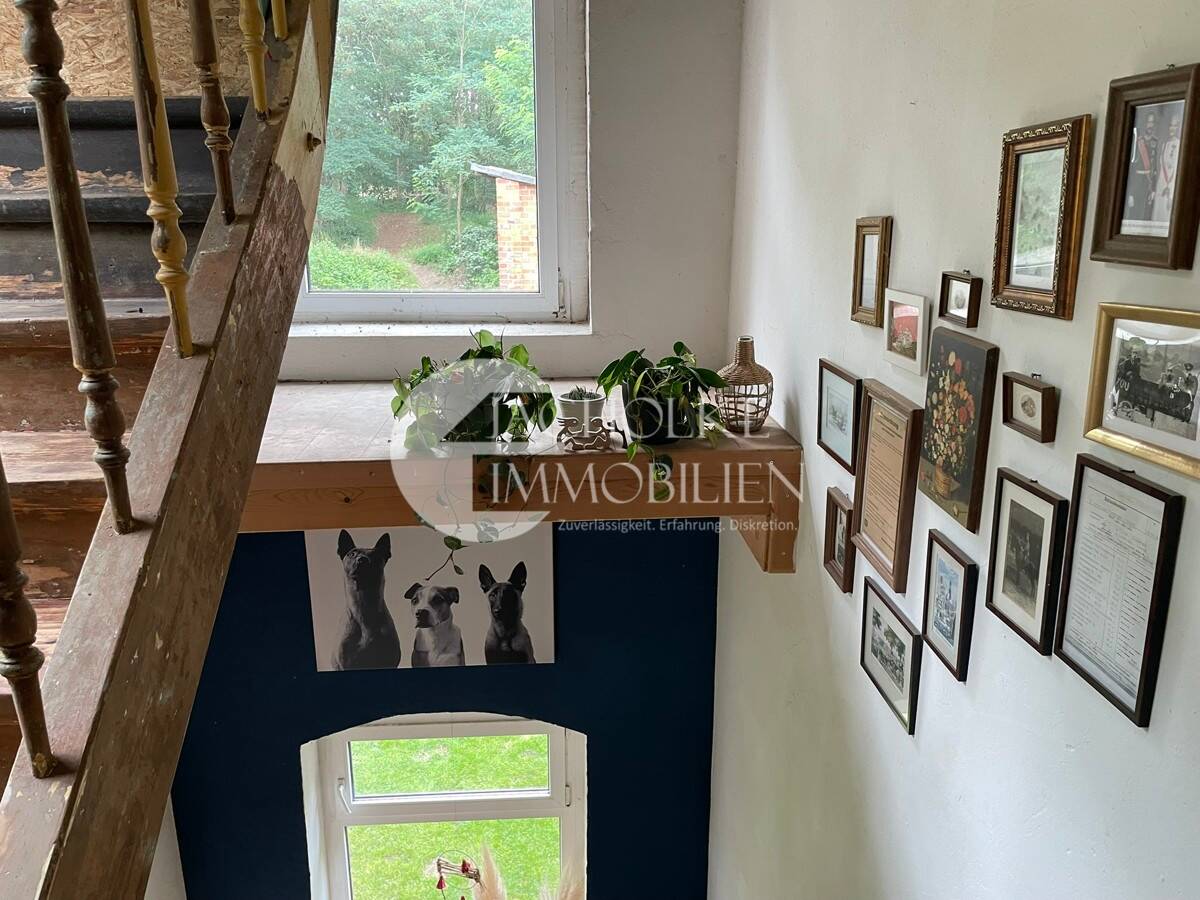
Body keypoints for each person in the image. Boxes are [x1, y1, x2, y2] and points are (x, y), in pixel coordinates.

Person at [1153, 114, 1182, 225]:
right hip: (1160, 186)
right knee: (1156, 217)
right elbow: (1161, 168)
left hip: (1171, 187)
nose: (1172, 128)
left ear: (1178, 127)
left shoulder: (1180, 145)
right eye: (1170, 125)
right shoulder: (1164, 145)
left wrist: (1171, 192)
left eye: (1175, 126)